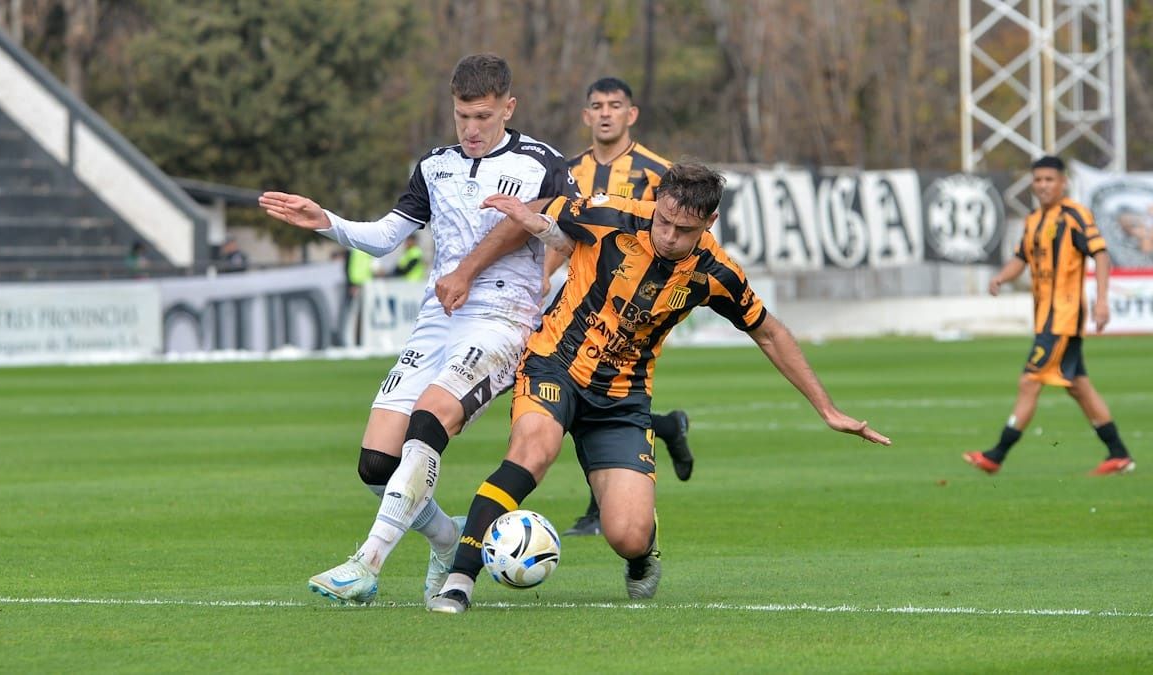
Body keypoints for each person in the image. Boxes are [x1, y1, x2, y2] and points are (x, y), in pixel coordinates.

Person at [427, 162, 890, 614]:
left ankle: (643, 553)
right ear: (656, 204)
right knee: (533, 451)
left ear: (710, 222)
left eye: (683, 230)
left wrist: (827, 410)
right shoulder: (611, 213)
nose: (667, 236)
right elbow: (553, 210)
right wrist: (533, 223)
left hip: (622, 398)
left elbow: (769, 331)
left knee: (627, 534)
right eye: (663, 221)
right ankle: (459, 581)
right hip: (554, 364)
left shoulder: (716, 272)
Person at [258, 53, 573, 605]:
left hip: (501, 319)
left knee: (428, 421)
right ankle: (448, 537)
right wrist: (326, 221)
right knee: (377, 463)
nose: (471, 130)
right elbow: (385, 237)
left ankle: (366, 563)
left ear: (508, 107)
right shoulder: (435, 165)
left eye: (481, 116)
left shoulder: (541, 163)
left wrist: (532, 225)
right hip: (437, 319)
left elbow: (569, 242)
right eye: (461, 117)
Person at [554, 76, 694, 537]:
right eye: (597, 105)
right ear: (586, 116)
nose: (606, 113)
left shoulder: (661, 171)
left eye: (615, 105)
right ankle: (667, 429)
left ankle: (602, 510)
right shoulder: (569, 172)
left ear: (631, 114)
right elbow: (564, 234)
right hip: (580, 295)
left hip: (638, 303)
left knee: (602, 389)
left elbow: (689, 236)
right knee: (568, 391)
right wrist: (539, 283)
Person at [963, 155, 1136, 476]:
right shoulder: (1033, 220)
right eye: (1038, 180)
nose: (1043, 185)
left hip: (1063, 316)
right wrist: (1002, 277)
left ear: (1063, 182)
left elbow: (1100, 254)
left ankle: (996, 455)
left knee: (1030, 381)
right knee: (1078, 385)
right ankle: (1119, 453)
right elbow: (1021, 258)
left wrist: (1101, 301)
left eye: (1049, 179)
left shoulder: (1074, 216)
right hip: (1046, 317)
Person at [334, 247, 373, 346]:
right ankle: (343, 341)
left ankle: (359, 341)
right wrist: (352, 284)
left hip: (365, 286)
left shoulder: (366, 246)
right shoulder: (353, 247)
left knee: (361, 316)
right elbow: (349, 266)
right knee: (348, 314)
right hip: (354, 285)